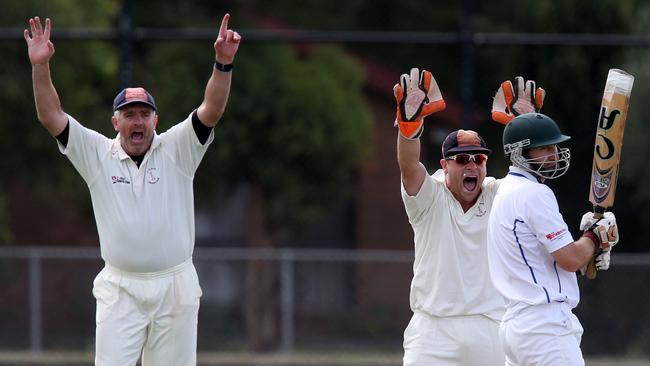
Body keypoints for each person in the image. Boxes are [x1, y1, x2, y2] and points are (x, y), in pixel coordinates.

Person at [24, 13, 240, 365]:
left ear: (156, 119)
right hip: (120, 290)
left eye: (144, 114)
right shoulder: (96, 154)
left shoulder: (178, 149)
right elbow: (51, 116)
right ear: (116, 122)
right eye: (129, 114)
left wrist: (223, 63)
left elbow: (211, 109)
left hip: (175, 288)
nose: (137, 121)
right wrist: (40, 66)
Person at [394, 69, 546, 365]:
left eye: (479, 159)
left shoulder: (499, 195)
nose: (472, 166)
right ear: (445, 165)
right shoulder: (429, 197)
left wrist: (529, 129)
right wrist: (409, 126)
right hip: (432, 330)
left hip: (490, 326)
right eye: (462, 160)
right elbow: (409, 166)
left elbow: (536, 177)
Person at [487, 112, 619, 365]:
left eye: (555, 146)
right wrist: (595, 235)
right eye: (544, 148)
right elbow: (570, 259)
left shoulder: (505, 191)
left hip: (517, 328)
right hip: (543, 328)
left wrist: (591, 248)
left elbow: (547, 263)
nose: (555, 153)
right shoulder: (534, 193)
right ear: (519, 153)